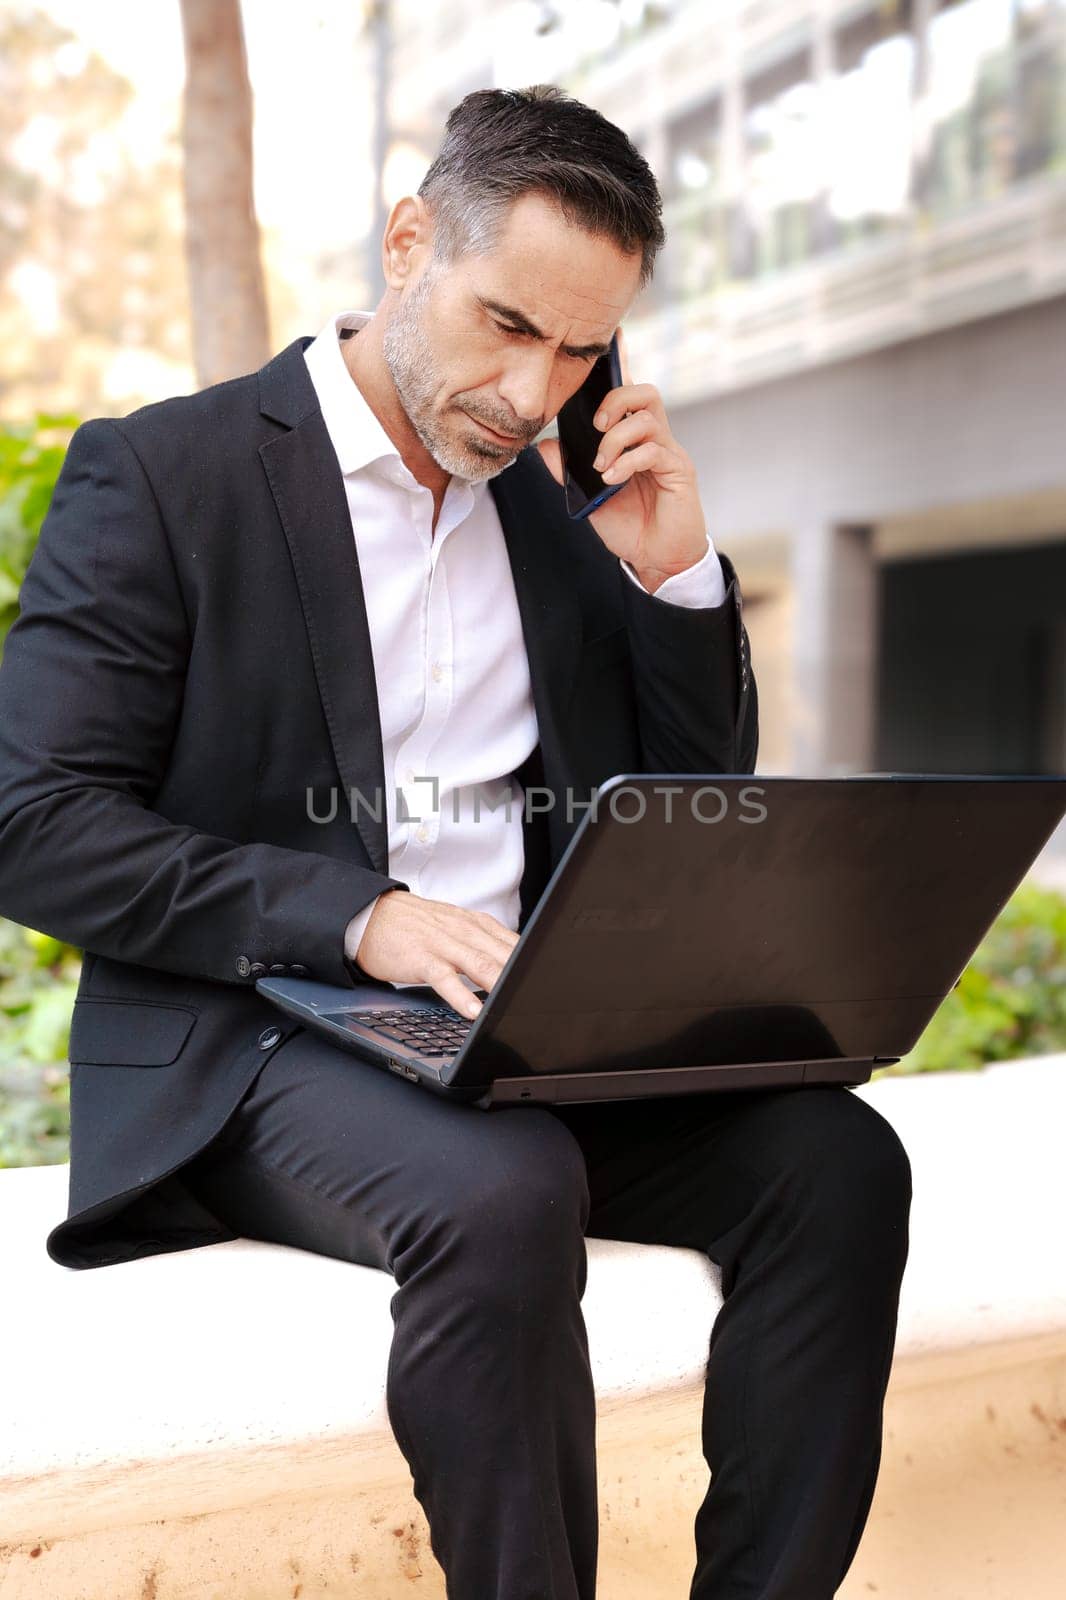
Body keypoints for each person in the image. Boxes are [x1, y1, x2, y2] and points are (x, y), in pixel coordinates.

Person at [0, 86, 910, 1600]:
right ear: (410, 241)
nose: (532, 390)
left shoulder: (558, 510)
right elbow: (33, 824)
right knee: (500, 1191)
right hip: (264, 1042)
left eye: (577, 349)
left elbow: (688, 816)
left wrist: (674, 581)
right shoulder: (167, 477)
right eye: (505, 325)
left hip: (523, 1039)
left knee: (836, 1164)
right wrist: (359, 917)